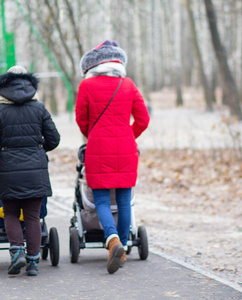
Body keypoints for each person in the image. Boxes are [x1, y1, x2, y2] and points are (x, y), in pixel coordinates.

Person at [75, 41, 150, 274]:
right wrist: (128, 134)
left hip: (97, 147)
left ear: (92, 65)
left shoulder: (87, 86)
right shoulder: (127, 84)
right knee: (125, 200)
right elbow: (143, 119)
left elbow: (81, 118)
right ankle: (123, 247)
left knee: (102, 201)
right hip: (126, 148)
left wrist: (94, 135)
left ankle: (113, 240)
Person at [0, 66, 60, 276]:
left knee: (10, 213)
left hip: (9, 169)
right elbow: (54, 139)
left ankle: (17, 253)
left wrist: (2, 154)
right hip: (36, 169)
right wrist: (38, 148)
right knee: (33, 216)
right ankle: (34, 263)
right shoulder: (39, 107)